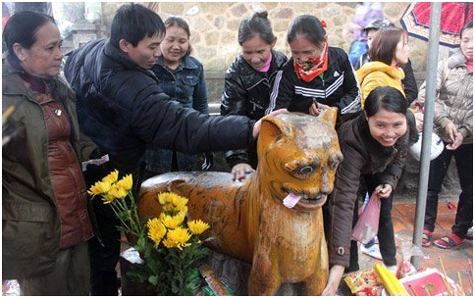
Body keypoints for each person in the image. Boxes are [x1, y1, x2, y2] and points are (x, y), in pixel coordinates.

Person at [63, 4, 285, 295]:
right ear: (125, 45)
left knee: (101, 242)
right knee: (105, 246)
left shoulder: (93, 49)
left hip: (91, 162)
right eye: (153, 46)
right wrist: (250, 129)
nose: (158, 53)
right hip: (112, 175)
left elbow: (70, 67)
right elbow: (184, 126)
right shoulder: (133, 89)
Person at [2, 11, 98, 295]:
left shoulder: (58, 87)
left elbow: (69, 140)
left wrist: (94, 154)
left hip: (76, 216)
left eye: (60, 45)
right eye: (50, 47)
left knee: (80, 288)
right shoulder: (5, 101)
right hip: (36, 226)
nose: (60, 54)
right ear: (19, 51)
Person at [322, 86, 418, 295]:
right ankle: (349, 270)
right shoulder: (350, 138)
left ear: (404, 117)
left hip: (382, 165)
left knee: (383, 209)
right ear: (367, 117)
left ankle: (390, 264)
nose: (390, 132)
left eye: (396, 124)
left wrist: (390, 181)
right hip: (355, 162)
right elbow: (344, 200)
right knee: (348, 217)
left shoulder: (407, 122)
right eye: (381, 125)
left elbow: (400, 154)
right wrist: (338, 262)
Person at [418, 21, 473, 249]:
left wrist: (464, 130)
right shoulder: (445, 66)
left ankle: (459, 231)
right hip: (440, 134)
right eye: (466, 40)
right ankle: (425, 227)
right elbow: (426, 94)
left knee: (470, 187)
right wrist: (444, 121)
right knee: (430, 184)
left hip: (469, 139)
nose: (470, 45)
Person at [220, 11, 287, 181]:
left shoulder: (282, 63)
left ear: (273, 43)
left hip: (280, 144)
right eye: (248, 52)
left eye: (260, 51)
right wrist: (237, 159)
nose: (255, 58)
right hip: (249, 144)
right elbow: (231, 116)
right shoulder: (236, 72)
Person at [143, 16, 212, 180]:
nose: (176, 46)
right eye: (170, 40)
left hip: (186, 144)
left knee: (184, 192)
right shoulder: (149, 66)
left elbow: (201, 105)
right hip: (155, 146)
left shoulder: (195, 67)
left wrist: (207, 138)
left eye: (182, 41)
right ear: (160, 40)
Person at [266, 15, 361, 125]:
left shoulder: (340, 59)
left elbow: (355, 93)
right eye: (295, 53)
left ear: (323, 41)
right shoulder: (286, 74)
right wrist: (305, 108)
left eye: (308, 52)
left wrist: (335, 110)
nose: (302, 59)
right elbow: (273, 116)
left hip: (343, 125)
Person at [355, 18, 418, 105]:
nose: (373, 43)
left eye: (377, 38)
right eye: (369, 38)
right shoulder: (365, 63)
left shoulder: (401, 65)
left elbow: (411, 91)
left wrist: (400, 109)